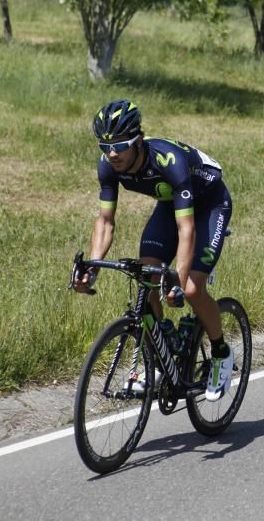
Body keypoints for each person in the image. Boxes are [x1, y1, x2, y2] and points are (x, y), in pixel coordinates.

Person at [73, 100, 234, 401]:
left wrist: (179, 281)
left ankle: (222, 353)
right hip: (171, 204)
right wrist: (92, 268)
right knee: (147, 272)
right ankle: (164, 352)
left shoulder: (168, 161)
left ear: (138, 140)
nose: (111, 153)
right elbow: (105, 221)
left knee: (191, 286)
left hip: (209, 205)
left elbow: (187, 229)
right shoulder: (108, 164)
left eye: (120, 145)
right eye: (104, 146)